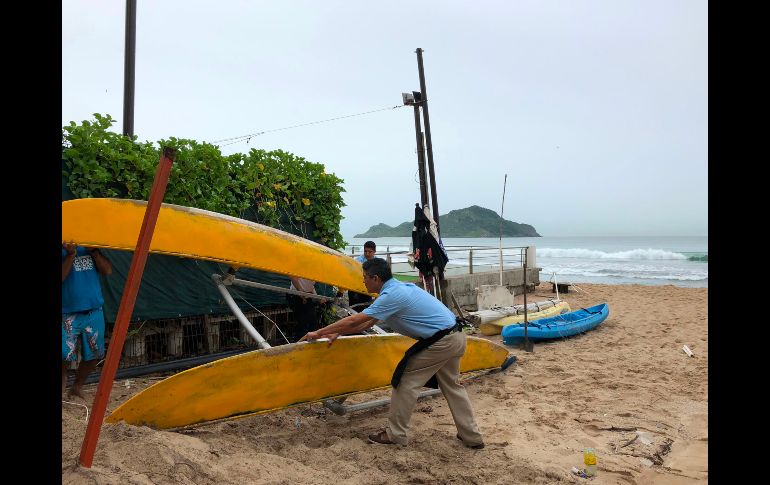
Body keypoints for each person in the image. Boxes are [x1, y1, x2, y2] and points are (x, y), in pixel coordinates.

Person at [300, 257, 484, 449]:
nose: (363, 281)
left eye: (365, 277)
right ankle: (471, 436)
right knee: (453, 386)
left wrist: (319, 332)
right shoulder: (397, 288)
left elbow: (355, 321)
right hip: (455, 336)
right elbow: (366, 323)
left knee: (405, 381)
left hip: (441, 341)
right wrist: (336, 332)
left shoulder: (391, 296)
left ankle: (395, 434)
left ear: (376, 278)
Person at [62, 243, 112, 399]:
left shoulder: (91, 244)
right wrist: (70, 254)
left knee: (95, 354)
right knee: (63, 355)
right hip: (67, 312)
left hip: (94, 310)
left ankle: (77, 387)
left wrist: (95, 252)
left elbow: (108, 271)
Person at [287, 276, 321, 343]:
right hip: (296, 296)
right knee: (303, 323)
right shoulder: (303, 268)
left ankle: (310, 343)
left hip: (307, 297)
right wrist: (301, 294)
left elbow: (310, 287)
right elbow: (293, 278)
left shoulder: (315, 272)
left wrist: (318, 298)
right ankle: (298, 344)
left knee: (313, 322)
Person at [349, 241, 376, 308]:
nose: (367, 254)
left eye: (370, 252)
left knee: (366, 308)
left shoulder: (377, 262)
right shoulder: (358, 261)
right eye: (365, 251)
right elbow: (353, 276)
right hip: (356, 287)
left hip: (368, 287)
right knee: (354, 309)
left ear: (374, 252)